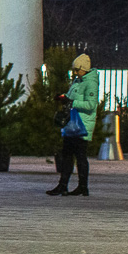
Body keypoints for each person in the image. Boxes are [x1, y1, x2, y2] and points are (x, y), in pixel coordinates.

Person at [47, 53, 98, 196]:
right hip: (72, 124)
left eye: (77, 70)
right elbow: (72, 98)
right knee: (67, 155)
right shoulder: (77, 81)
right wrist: (64, 98)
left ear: (84, 68)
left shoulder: (90, 83)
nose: (75, 73)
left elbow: (91, 105)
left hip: (82, 125)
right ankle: (63, 185)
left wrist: (72, 102)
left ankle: (82, 186)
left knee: (80, 156)